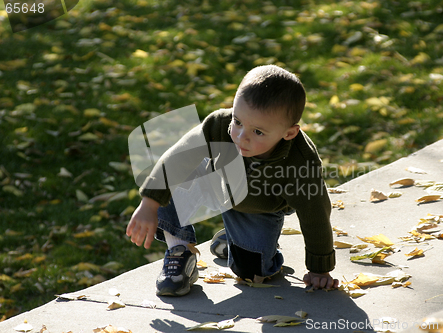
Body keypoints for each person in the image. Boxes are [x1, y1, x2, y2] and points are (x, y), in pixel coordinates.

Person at [126, 65, 338, 296]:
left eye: (257, 132)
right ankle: (179, 253)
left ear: (288, 133)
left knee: (254, 274)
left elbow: (315, 213)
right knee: (178, 173)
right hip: (217, 183)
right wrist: (149, 203)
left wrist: (320, 269)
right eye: (238, 121)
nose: (240, 136)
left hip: (260, 206)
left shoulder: (300, 162)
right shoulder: (218, 125)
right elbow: (178, 157)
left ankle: (237, 241)